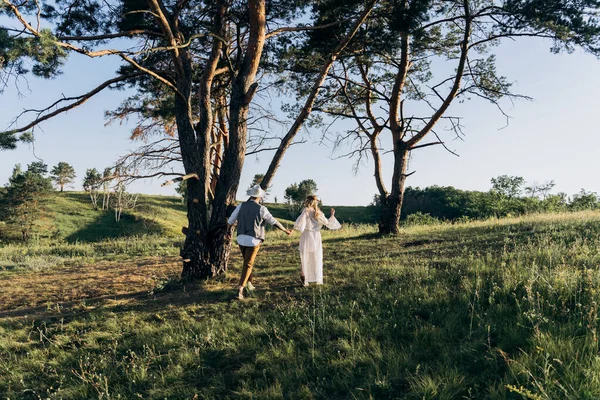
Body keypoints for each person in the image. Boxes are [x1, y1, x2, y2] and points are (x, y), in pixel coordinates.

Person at [228, 184, 292, 299]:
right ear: (260, 197)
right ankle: (240, 289)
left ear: (251, 195)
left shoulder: (241, 206)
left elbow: (231, 220)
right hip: (253, 240)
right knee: (248, 264)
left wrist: (227, 233)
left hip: (241, 239)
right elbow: (273, 222)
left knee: (247, 263)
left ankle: (249, 284)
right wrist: (285, 230)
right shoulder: (262, 209)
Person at [293, 195, 341, 286]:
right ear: (316, 202)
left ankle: (304, 279)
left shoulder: (306, 211)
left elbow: (299, 224)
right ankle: (316, 278)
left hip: (307, 235)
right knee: (316, 256)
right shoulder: (318, 213)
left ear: (307, 202)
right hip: (316, 236)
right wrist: (332, 215)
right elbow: (328, 223)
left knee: (304, 257)